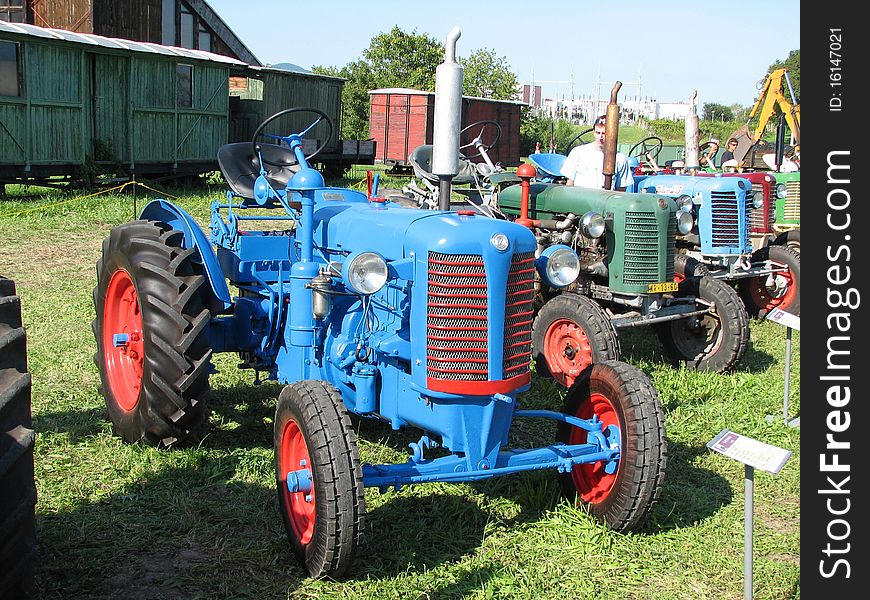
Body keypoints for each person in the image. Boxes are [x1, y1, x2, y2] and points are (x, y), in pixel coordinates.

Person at [559, 115, 634, 191]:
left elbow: (620, 190)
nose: (600, 137)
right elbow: (569, 184)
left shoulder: (620, 159)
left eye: (604, 133)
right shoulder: (578, 153)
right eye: (598, 133)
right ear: (594, 132)